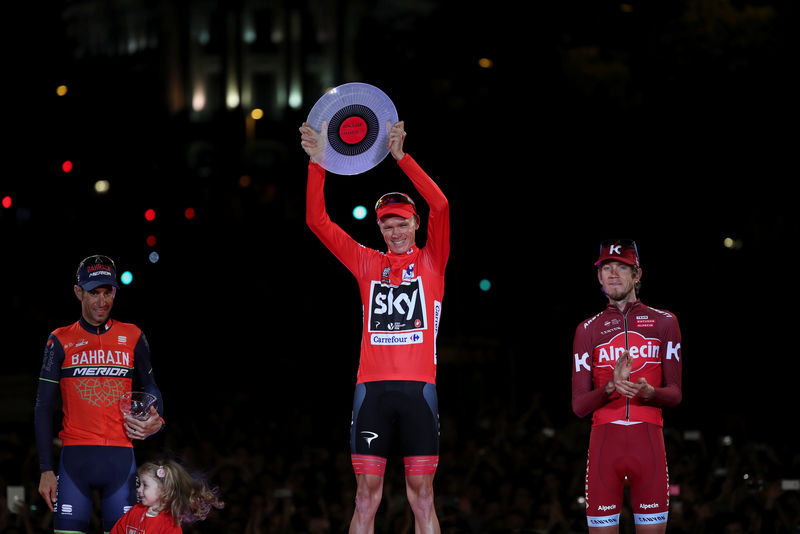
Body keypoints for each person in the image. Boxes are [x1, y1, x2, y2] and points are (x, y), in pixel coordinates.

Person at [300, 119, 449, 534]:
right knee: (366, 495)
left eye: (403, 223)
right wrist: (317, 165)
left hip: (420, 390)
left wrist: (402, 157)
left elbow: (441, 206)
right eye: (388, 225)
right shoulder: (367, 262)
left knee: (423, 496)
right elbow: (318, 221)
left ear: (415, 224)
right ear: (379, 228)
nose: (396, 231)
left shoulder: (432, 261)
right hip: (372, 391)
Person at [34, 254, 167, 533]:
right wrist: (46, 469)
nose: (102, 302)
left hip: (121, 463)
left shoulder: (133, 335)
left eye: (108, 292)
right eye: (94, 293)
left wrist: (158, 417)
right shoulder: (59, 339)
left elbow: (152, 387)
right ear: (78, 292)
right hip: (73, 465)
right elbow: (43, 407)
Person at [572, 240, 683, 534]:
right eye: (606, 267)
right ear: (598, 276)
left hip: (649, 445)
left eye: (621, 267)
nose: (612, 274)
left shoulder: (665, 322)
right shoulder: (587, 329)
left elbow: (675, 395)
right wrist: (610, 387)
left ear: (637, 274)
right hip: (603, 447)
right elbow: (579, 406)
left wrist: (650, 393)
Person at [110, 459, 224, 533]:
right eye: (139, 484)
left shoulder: (170, 524)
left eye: (145, 485)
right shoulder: (135, 511)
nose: (138, 489)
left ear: (163, 490)